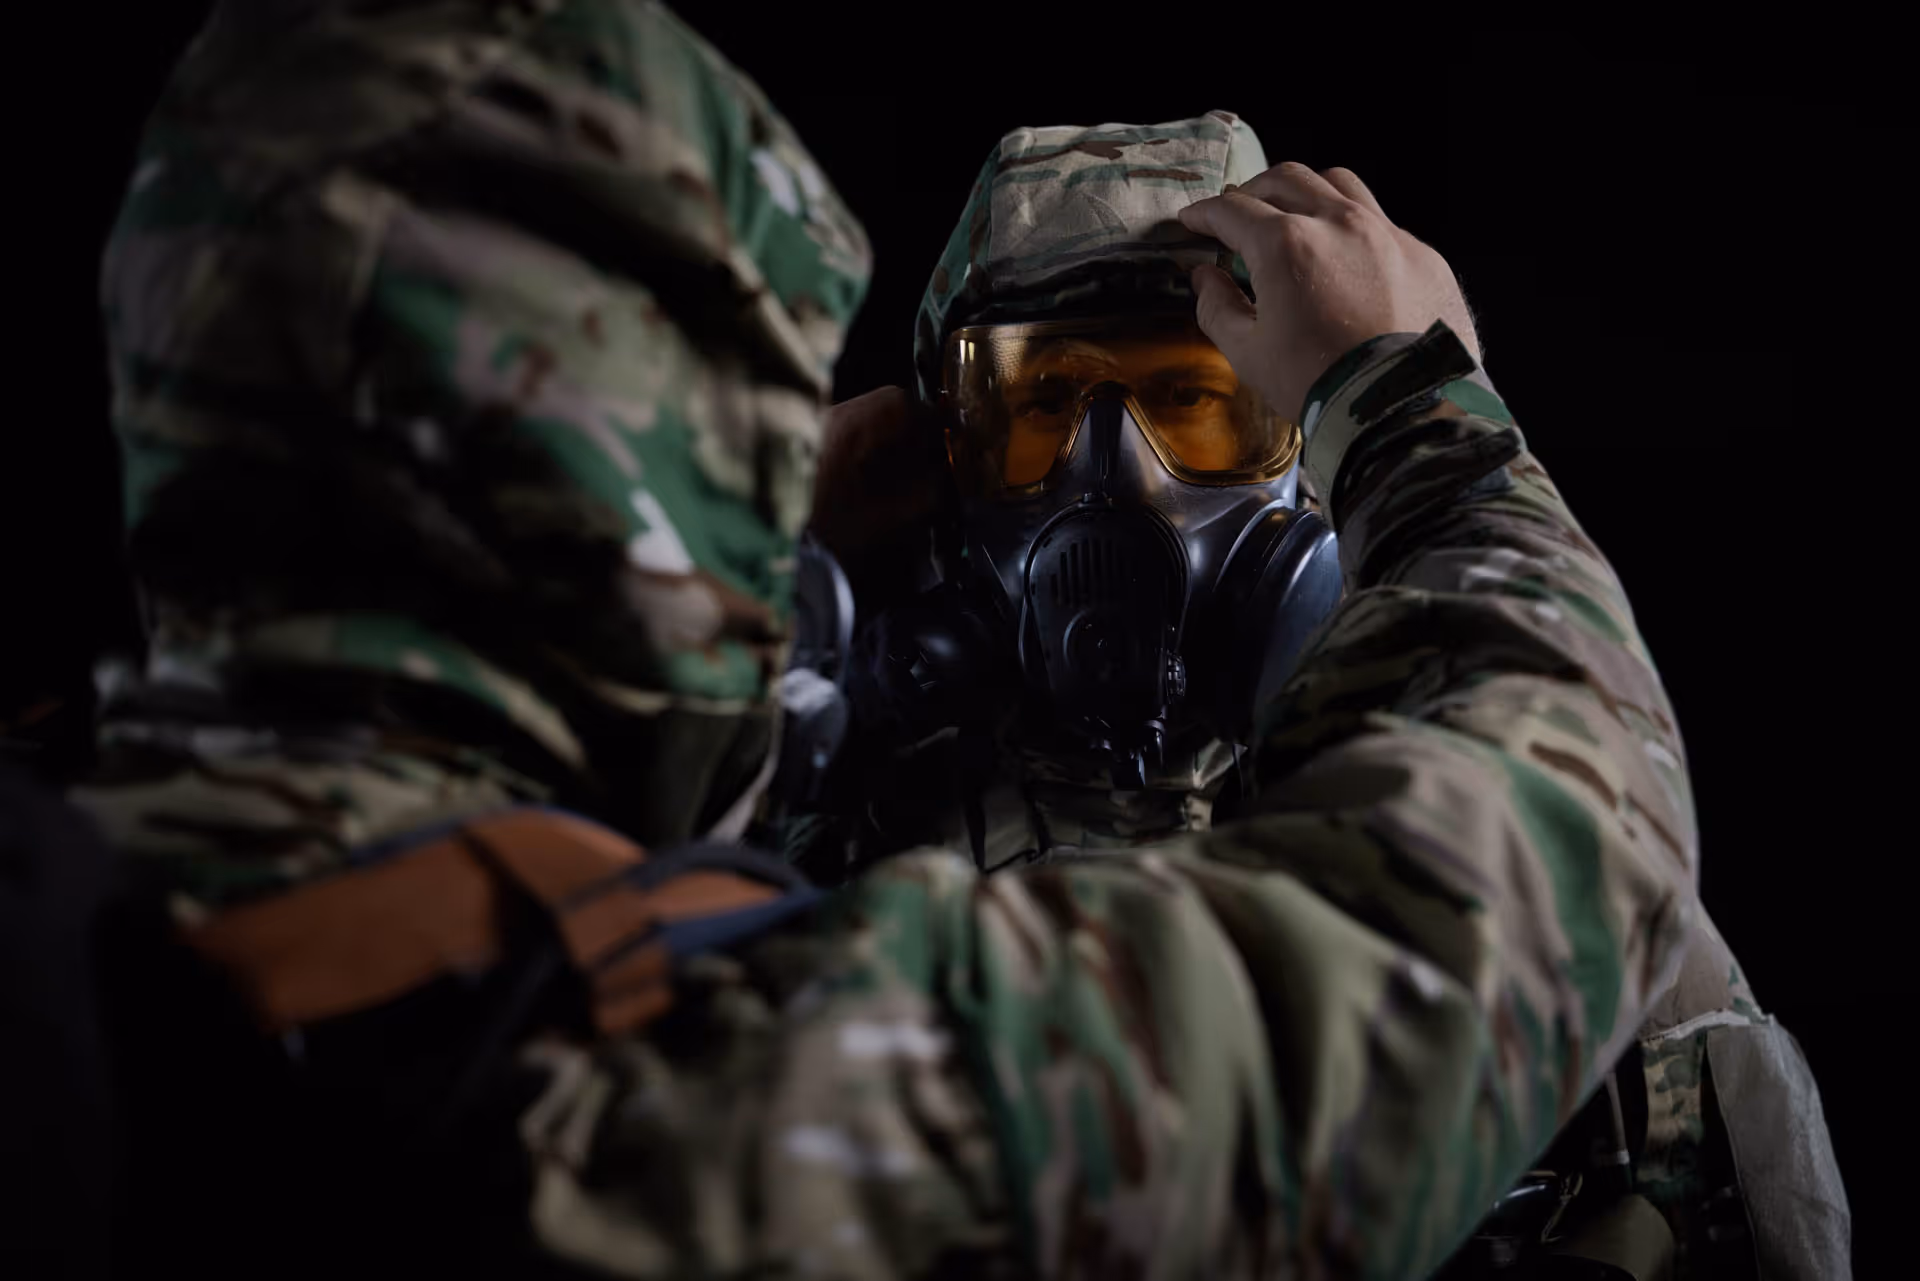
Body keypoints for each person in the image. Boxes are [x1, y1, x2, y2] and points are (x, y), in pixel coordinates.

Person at [66, 4, 1841, 1280]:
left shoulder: (96, 935)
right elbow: (1547, 839)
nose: (1109, 478)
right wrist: (1431, 414)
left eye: (1192, 407)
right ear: (933, 453)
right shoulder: (787, 889)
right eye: (1040, 404)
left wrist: (720, 572)